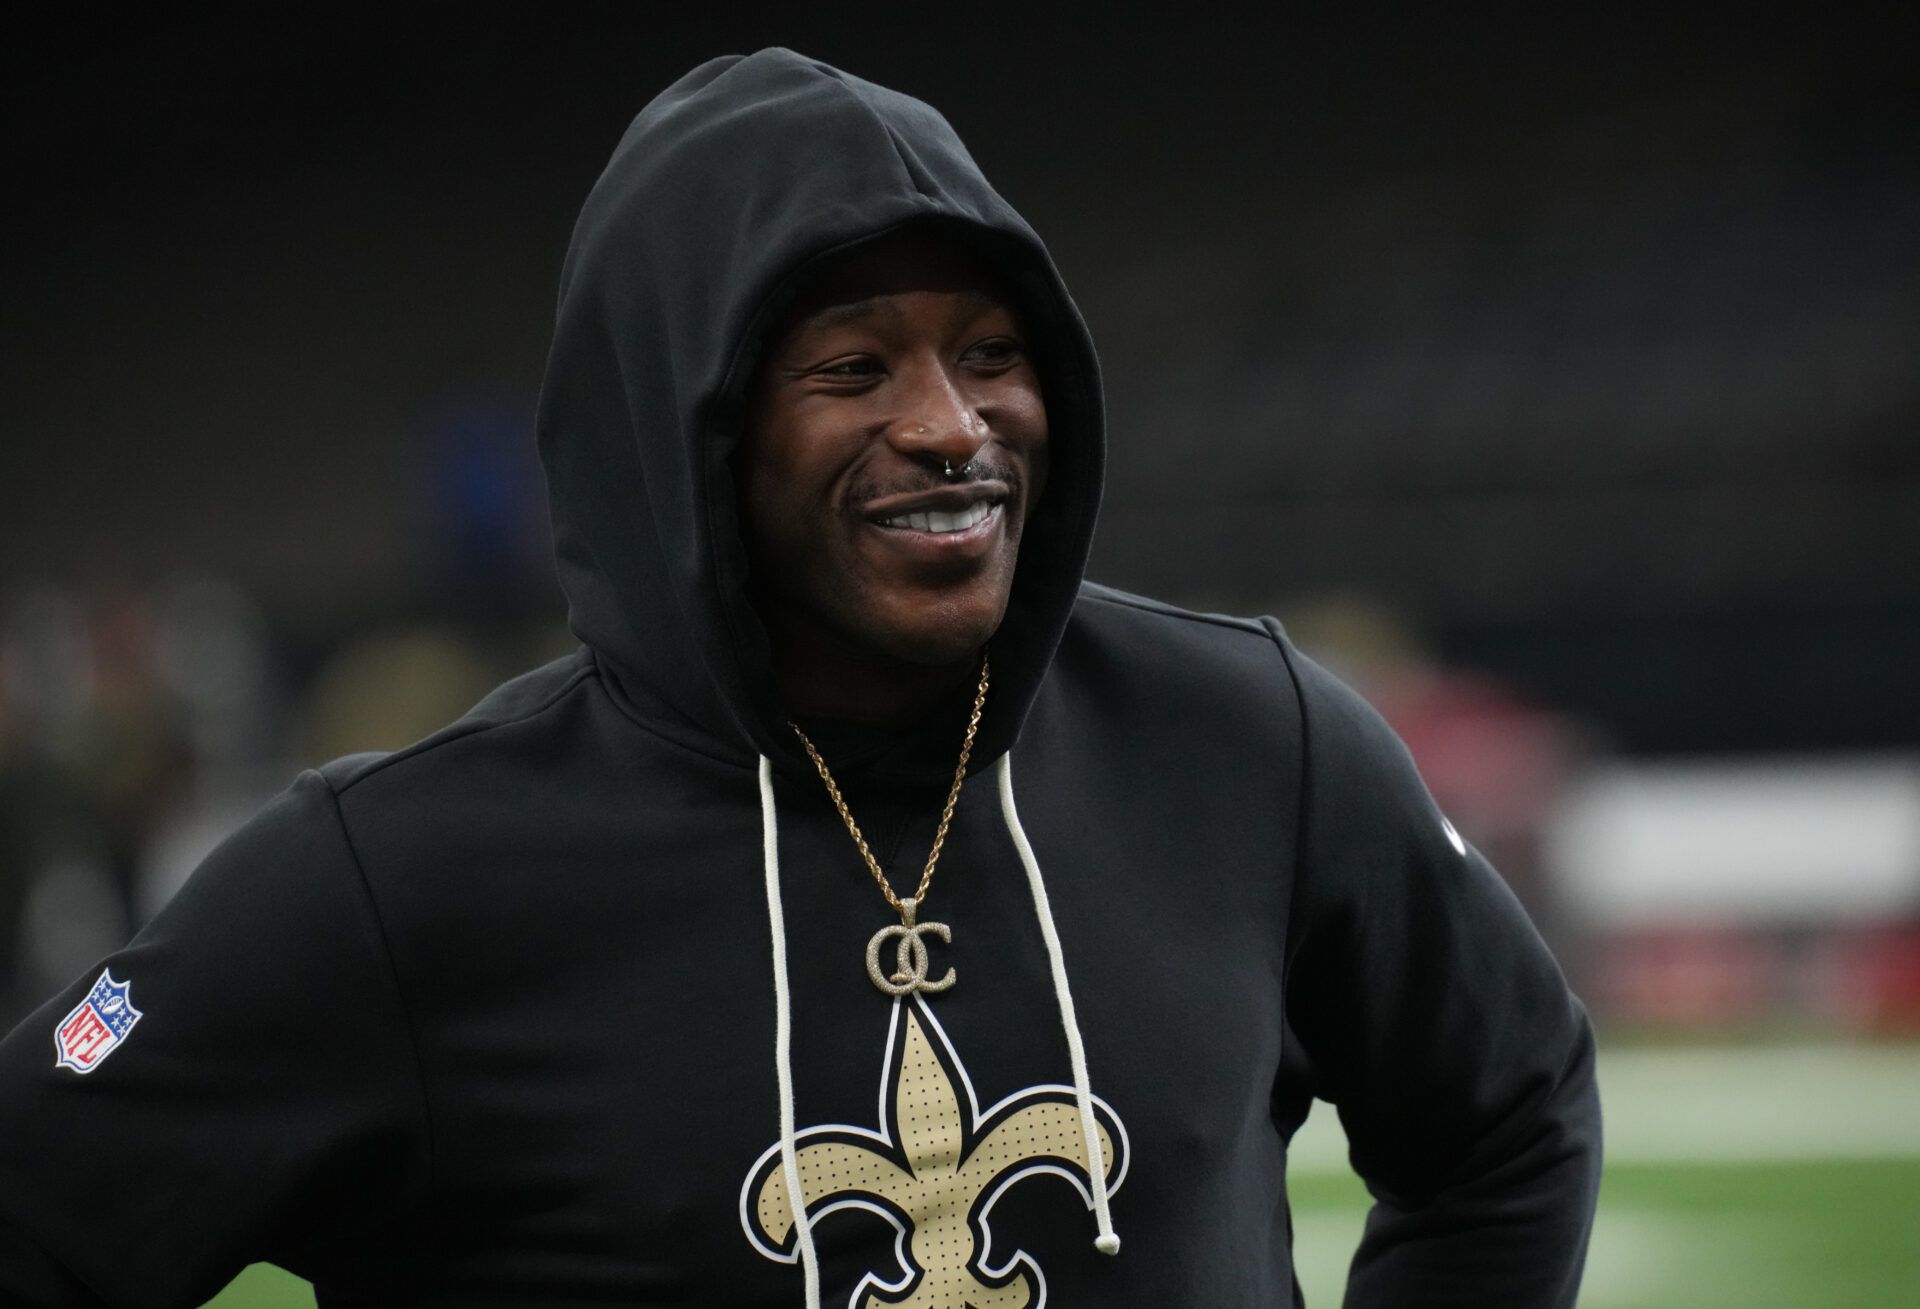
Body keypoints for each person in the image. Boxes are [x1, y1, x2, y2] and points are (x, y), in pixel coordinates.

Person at [0, 49, 1600, 1307]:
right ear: (685, 440)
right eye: (853, 367)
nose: (953, 425)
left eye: (990, 351)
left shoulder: (1251, 738)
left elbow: (1511, 1110)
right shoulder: (390, 877)